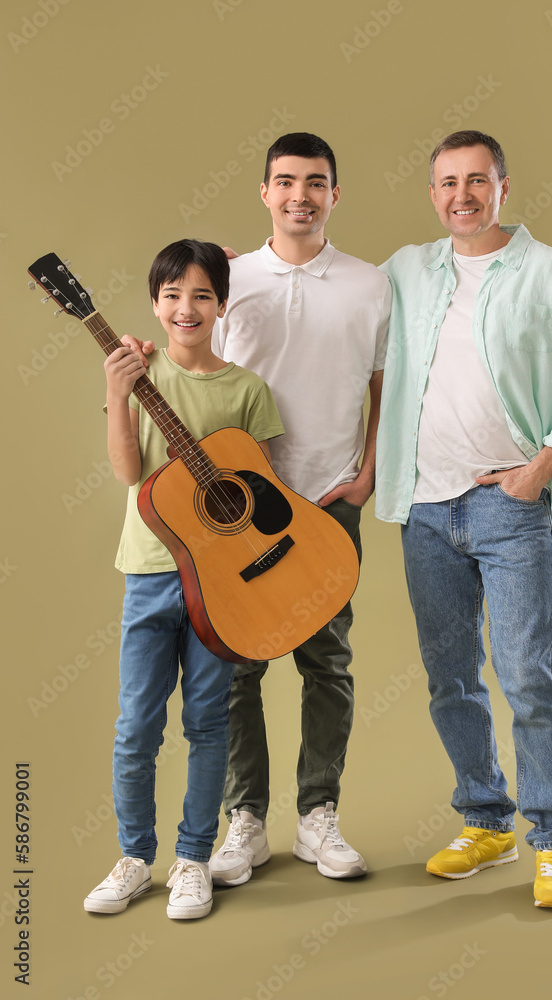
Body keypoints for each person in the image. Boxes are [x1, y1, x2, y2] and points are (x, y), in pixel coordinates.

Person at [124, 134, 391, 883]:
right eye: (284, 181)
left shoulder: (372, 285)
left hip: (328, 498)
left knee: (327, 662)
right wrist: (137, 365)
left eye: (315, 182)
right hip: (231, 514)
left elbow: (382, 388)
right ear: (264, 192)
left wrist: (367, 474)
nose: (299, 194)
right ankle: (245, 819)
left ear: (335, 194)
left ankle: (317, 818)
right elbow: (187, 352)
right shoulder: (227, 276)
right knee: (236, 669)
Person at [375, 130, 552, 909]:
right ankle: (485, 819)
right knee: (451, 679)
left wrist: (538, 473)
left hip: (509, 507)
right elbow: (326, 304)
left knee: (527, 676)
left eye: (476, 181)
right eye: (447, 183)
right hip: (423, 506)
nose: (461, 196)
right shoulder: (406, 271)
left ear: (504, 188)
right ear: (432, 193)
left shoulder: (551, 274)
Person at [83, 240, 283, 920]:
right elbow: (128, 472)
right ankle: (135, 859)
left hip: (222, 587)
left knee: (206, 725)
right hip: (148, 572)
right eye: (172, 295)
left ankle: (193, 859)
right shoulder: (139, 374)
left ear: (222, 305)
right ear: (154, 304)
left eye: (202, 294)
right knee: (136, 726)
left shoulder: (248, 391)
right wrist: (117, 395)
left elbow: (263, 497)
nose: (186, 307)